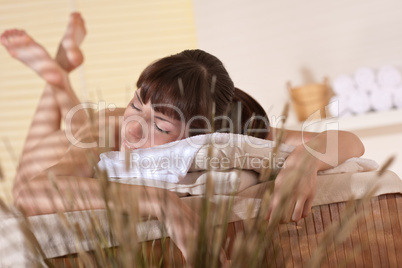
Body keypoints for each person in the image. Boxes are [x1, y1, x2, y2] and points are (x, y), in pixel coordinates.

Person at [1, 11, 364, 259]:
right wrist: (161, 202)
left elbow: (348, 140)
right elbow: (28, 191)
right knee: (68, 133)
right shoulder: (111, 127)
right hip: (80, 134)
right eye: (136, 103)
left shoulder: (233, 127)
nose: (133, 129)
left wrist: (305, 161)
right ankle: (60, 72)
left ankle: (60, 73)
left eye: (160, 126)